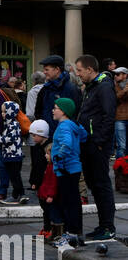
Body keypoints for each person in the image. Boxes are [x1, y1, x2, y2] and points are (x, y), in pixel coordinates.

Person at [75, 54, 117, 241]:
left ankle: (108, 227)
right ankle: (102, 225)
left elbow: (109, 116)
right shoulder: (91, 88)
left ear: (90, 69)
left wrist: (99, 141)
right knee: (94, 185)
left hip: (97, 145)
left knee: (102, 185)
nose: (78, 74)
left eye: (80, 70)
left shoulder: (104, 86)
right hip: (88, 143)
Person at [50, 96, 87, 248]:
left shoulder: (64, 126)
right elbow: (84, 136)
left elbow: (67, 143)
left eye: (56, 108)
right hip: (73, 168)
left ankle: (70, 234)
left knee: (68, 202)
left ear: (64, 112)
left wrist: (59, 157)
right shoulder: (72, 124)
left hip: (65, 169)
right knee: (74, 201)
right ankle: (76, 233)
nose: (53, 110)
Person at [35, 55, 80, 136]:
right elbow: (38, 112)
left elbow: (76, 115)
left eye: (46, 69)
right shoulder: (45, 89)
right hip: (46, 137)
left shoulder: (71, 89)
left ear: (57, 69)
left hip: (64, 137)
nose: (44, 72)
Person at [28, 119, 59, 239]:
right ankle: (46, 228)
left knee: (49, 208)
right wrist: (34, 181)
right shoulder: (36, 148)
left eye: (34, 135)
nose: (33, 138)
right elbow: (35, 166)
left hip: (48, 183)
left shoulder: (49, 148)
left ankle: (50, 228)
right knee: (44, 208)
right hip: (41, 183)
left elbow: (49, 171)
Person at [0, 99, 28, 204]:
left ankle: (16, 195)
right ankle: (21, 194)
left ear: (10, 112)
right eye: (2, 112)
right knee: (15, 176)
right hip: (11, 155)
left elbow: (7, 139)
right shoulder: (9, 124)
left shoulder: (13, 125)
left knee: (14, 176)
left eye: (5, 112)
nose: (2, 114)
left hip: (13, 155)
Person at [113, 67, 128, 159]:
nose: (115, 76)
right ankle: (119, 168)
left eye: (118, 74)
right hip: (119, 118)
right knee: (121, 146)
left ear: (125, 75)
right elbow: (114, 99)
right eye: (115, 74)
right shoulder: (114, 86)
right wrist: (124, 91)